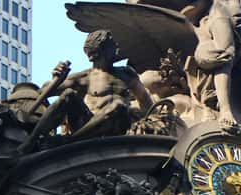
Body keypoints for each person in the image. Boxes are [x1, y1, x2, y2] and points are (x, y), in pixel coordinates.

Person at [17, 30, 153, 153]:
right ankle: (30, 143)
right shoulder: (83, 78)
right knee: (69, 94)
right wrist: (57, 79)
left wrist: (139, 119)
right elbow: (42, 93)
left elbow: (147, 104)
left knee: (118, 104)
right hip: (87, 126)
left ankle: (69, 141)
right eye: (112, 44)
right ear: (100, 50)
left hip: (117, 127)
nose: (117, 45)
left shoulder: (126, 74)